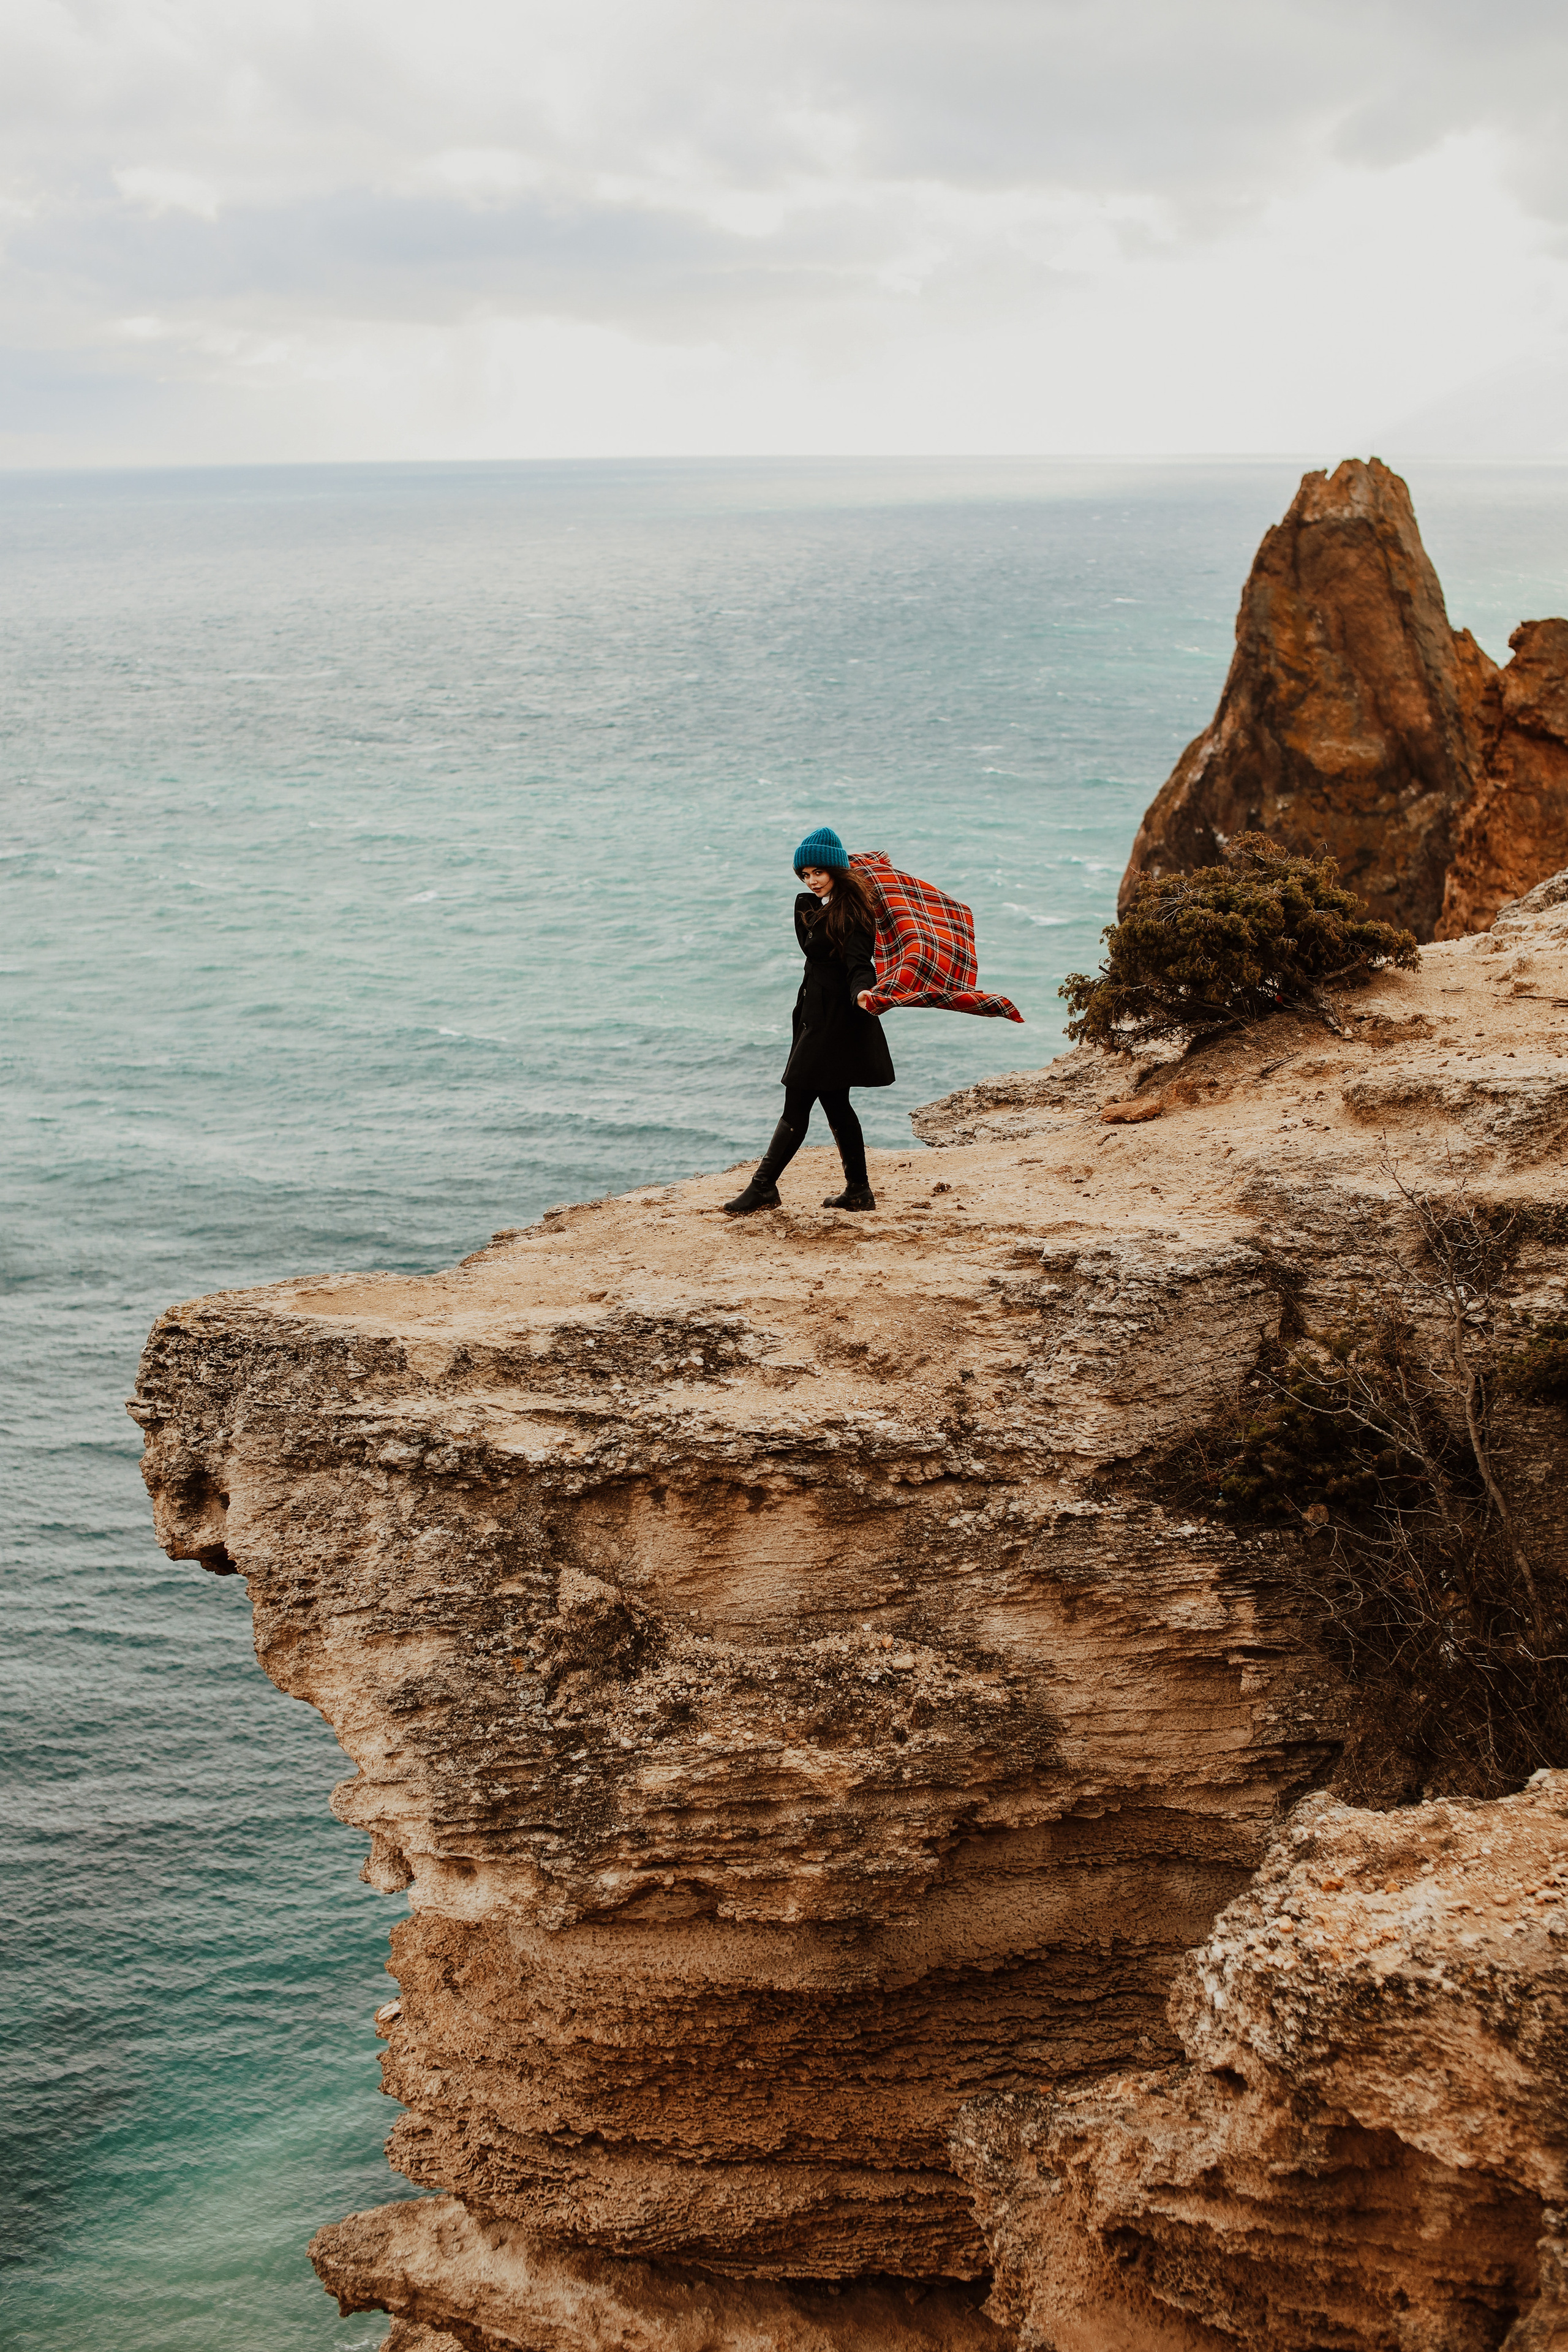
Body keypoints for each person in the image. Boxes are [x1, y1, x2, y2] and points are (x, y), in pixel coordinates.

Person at [724, 826, 894, 1214]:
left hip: (835, 1021)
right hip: (811, 1017)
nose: (811, 881)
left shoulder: (854, 915)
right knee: (835, 1102)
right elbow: (812, 944)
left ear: (835, 869)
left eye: (818, 872)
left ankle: (763, 1186)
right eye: (805, 874)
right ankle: (859, 1191)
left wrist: (863, 993)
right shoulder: (812, 907)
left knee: (797, 1098)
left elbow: (859, 965)